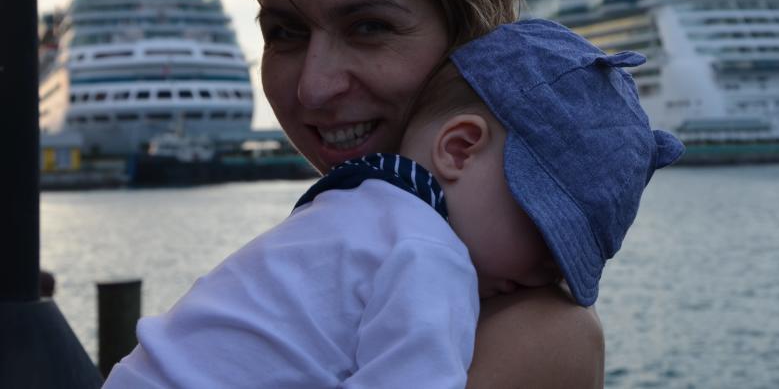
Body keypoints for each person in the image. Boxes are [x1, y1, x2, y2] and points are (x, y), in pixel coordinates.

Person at [109, 0, 607, 387]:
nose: (313, 89)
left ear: (474, 45)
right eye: (285, 33)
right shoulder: (357, 255)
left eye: (370, 27)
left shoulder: (534, 335)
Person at [103, 19, 683, 387]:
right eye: (548, 236)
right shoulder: (429, 254)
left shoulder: (340, 211)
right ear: (459, 148)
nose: (545, 274)